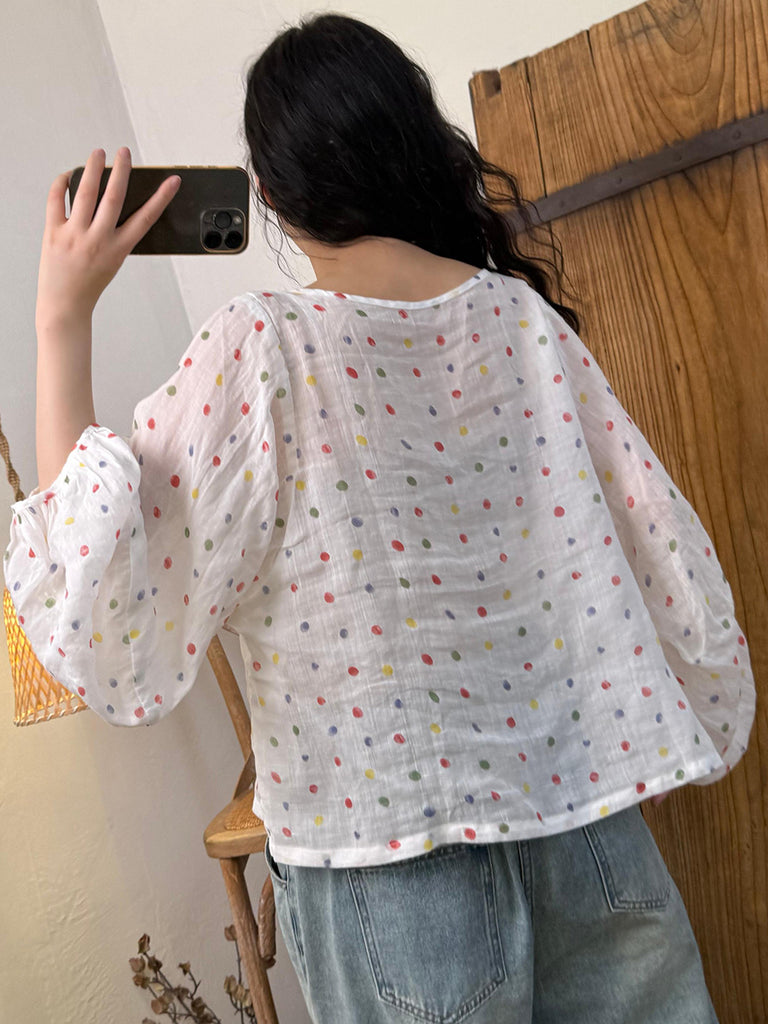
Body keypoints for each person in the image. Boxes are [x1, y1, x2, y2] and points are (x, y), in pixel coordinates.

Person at [5, 12, 754, 1024]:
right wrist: (664, 722)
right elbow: (661, 549)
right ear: (410, 141)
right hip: (588, 822)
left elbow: (102, 605)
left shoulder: (263, 345)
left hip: (390, 856)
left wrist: (61, 317)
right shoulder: (522, 323)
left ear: (269, 194)